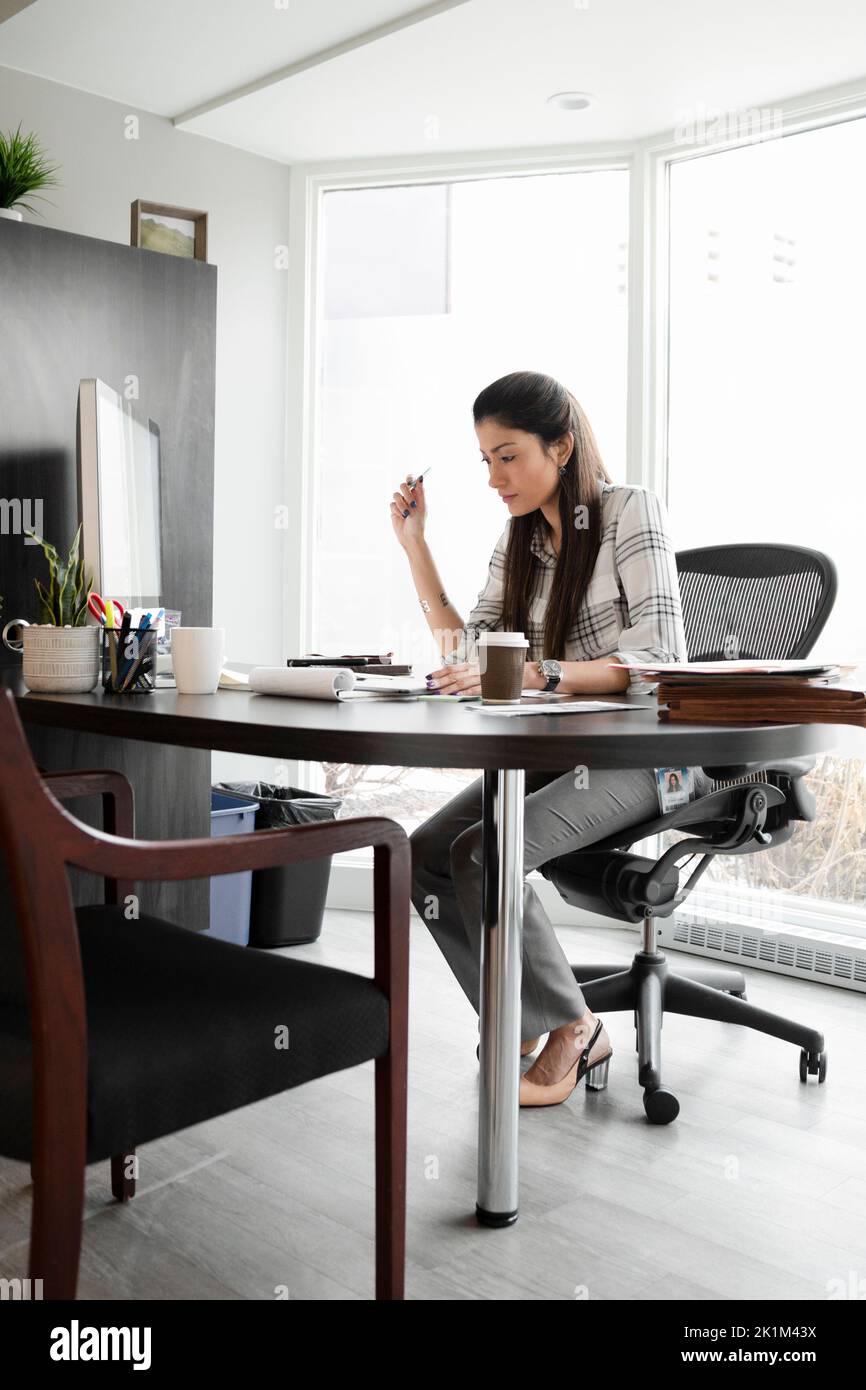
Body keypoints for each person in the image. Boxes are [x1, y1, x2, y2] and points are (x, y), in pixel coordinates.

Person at [390, 370, 708, 1108]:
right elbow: (467, 655)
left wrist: (540, 673)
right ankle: (522, 1017)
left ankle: (571, 1029)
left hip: (648, 759)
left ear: (561, 446)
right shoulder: (521, 540)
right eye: (485, 461)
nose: (495, 477)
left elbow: (658, 660)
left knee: (485, 851)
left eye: (509, 456)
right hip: (560, 753)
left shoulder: (631, 513)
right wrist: (416, 547)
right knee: (426, 855)